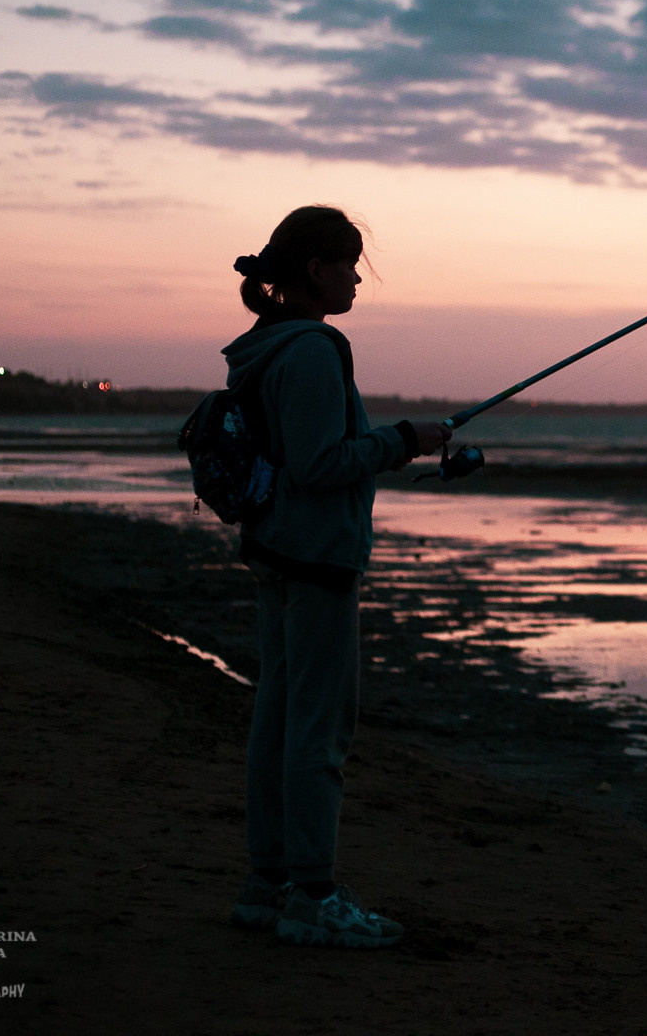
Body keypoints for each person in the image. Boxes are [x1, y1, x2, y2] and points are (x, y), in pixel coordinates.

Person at [218, 206, 450, 948]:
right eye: (348, 265)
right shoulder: (315, 349)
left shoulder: (263, 346)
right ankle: (313, 895)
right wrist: (403, 441)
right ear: (315, 269)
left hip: (275, 551)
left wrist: (391, 442)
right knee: (318, 730)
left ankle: (267, 885)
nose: (356, 279)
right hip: (316, 558)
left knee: (278, 722)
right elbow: (320, 466)